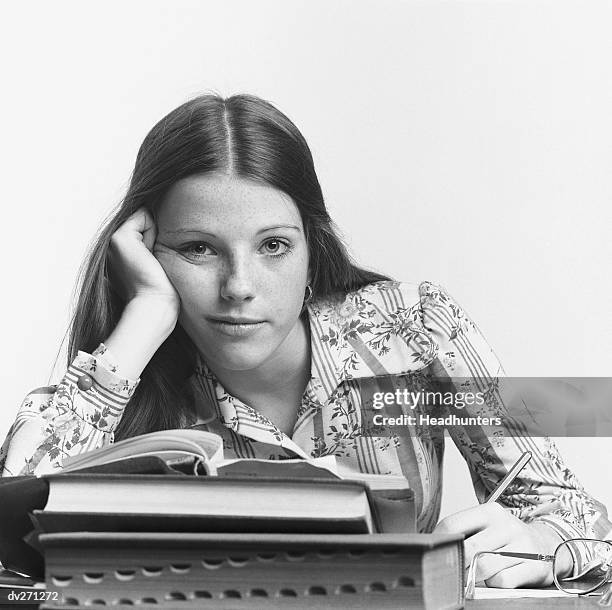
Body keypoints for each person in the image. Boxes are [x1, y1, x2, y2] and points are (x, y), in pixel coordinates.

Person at [1, 93, 609, 589]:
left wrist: (546, 543)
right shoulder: (138, 377)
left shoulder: (416, 328)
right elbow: (13, 543)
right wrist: (143, 321)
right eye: (198, 249)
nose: (239, 287)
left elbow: (584, 517)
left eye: (273, 246)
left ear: (311, 250)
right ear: (149, 255)